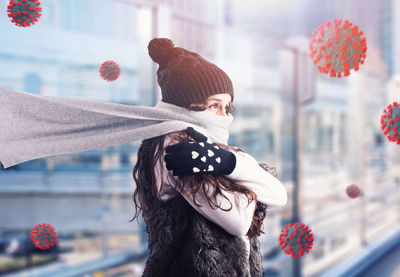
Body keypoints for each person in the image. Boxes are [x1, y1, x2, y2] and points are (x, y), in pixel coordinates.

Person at [130, 38, 287, 277]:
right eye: (214, 105)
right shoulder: (175, 144)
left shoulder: (208, 148)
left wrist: (228, 162)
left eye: (227, 107)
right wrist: (250, 188)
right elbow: (238, 222)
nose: (224, 116)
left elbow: (279, 195)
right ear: (186, 104)